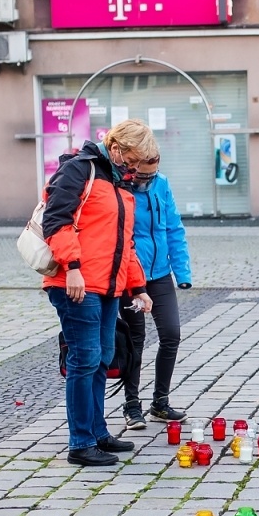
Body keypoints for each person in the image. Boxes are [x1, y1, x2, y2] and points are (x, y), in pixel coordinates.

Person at [43, 121, 152, 468]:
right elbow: (55, 221)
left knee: (102, 358)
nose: (133, 168)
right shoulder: (79, 170)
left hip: (107, 286)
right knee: (85, 359)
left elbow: (125, 243)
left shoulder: (120, 181)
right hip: (76, 284)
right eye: (130, 160)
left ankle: (98, 432)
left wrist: (138, 287)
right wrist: (72, 266)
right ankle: (81, 443)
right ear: (116, 147)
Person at [121, 145, 192, 430]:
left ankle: (160, 403)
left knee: (171, 334)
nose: (146, 181)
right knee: (135, 340)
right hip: (130, 275)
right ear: (132, 167)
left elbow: (174, 228)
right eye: (142, 175)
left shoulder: (162, 184)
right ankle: (131, 405)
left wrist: (182, 271)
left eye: (152, 175)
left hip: (160, 273)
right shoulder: (121, 188)